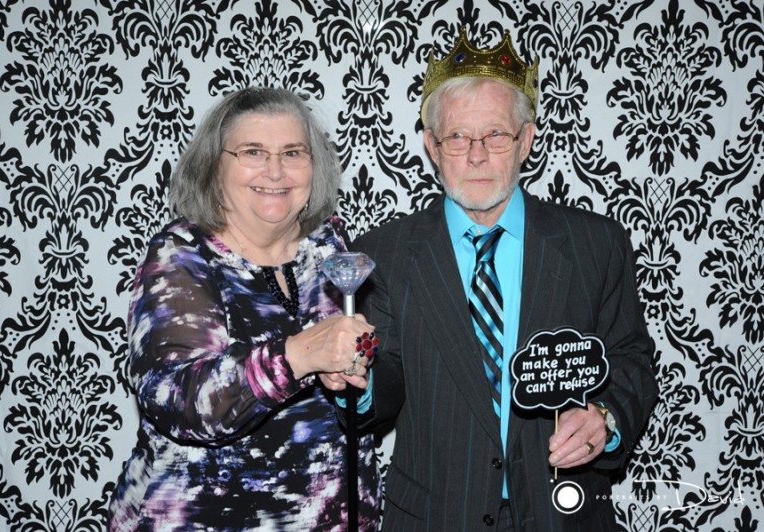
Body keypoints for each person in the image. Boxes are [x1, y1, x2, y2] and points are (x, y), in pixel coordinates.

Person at [353, 27, 658, 530]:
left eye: (496, 134)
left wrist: (605, 418)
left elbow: (630, 360)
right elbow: (385, 380)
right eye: (457, 137)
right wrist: (355, 381)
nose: (477, 155)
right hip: (434, 517)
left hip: (566, 515)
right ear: (432, 145)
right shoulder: (382, 254)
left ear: (526, 141)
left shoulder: (596, 244)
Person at [109, 87, 382, 531]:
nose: (275, 171)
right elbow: (181, 402)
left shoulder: (328, 246)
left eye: (293, 152)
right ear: (214, 166)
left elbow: (356, 387)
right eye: (253, 152)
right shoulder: (182, 255)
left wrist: (355, 381)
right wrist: (298, 355)